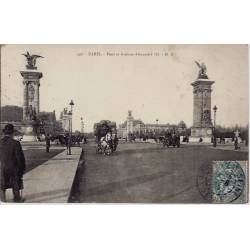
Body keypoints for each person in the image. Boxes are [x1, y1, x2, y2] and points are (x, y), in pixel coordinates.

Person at [0, 124, 26, 202]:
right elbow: (20, 158)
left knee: (2, 183)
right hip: (13, 167)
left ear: (4, 133)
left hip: (2, 166)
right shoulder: (15, 143)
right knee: (15, 183)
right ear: (12, 133)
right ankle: (17, 199)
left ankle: (2, 200)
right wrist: (22, 169)